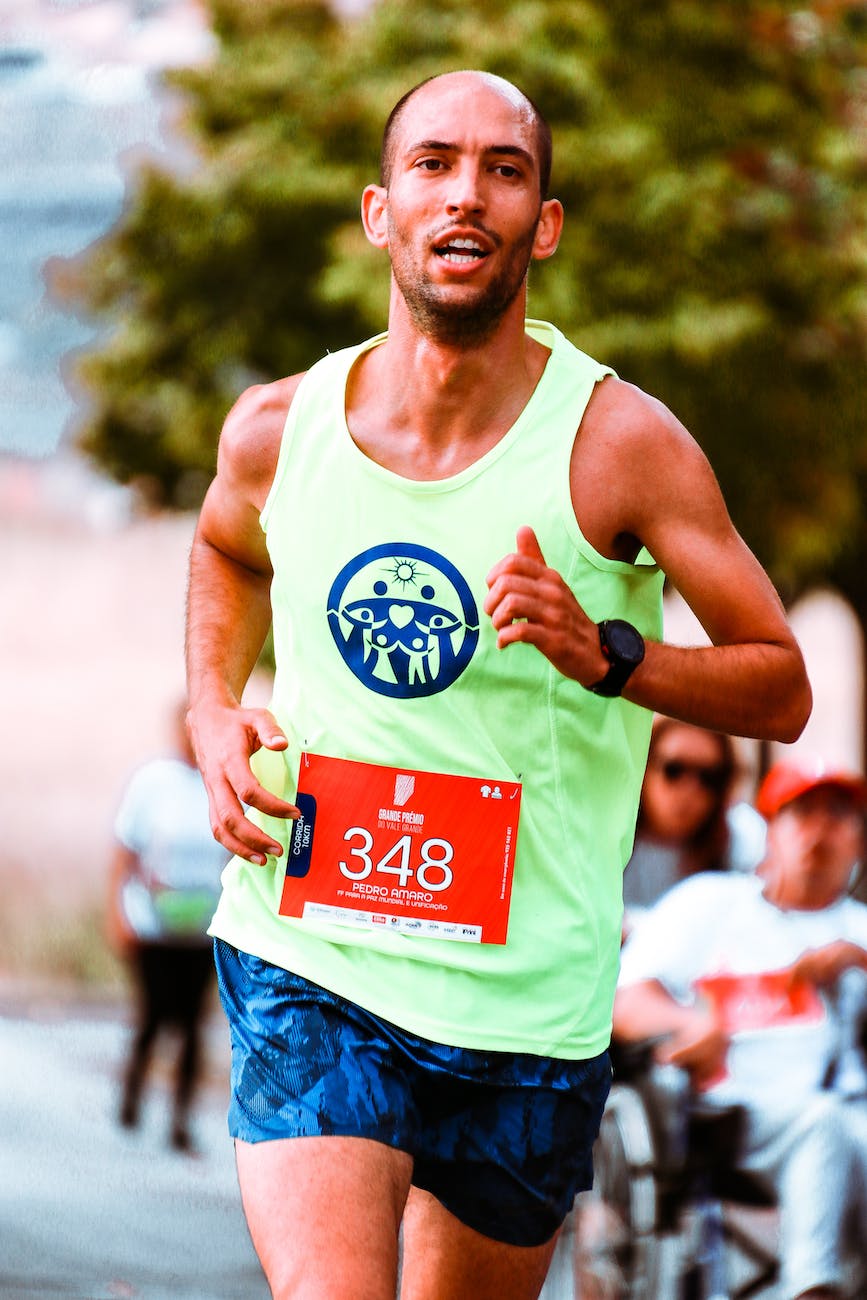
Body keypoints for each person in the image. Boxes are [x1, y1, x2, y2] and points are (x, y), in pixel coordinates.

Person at [184, 70, 811, 1300]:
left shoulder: (620, 444)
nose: (466, 194)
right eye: (433, 164)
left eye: (503, 169)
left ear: (546, 223)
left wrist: (611, 654)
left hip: (527, 1001)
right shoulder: (279, 427)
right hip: (314, 952)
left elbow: (780, 685)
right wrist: (213, 703)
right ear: (380, 211)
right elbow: (222, 544)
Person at [614, 757, 867, 1300]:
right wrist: (692, 1020)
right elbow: (627, 1001)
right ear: (770, 830)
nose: (821, 830)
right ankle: (810, 1288)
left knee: (842, 1128)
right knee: (824, 1126)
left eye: (839, 815)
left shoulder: (858, 931)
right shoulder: (714, 904)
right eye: (804, 813)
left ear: (859, 841)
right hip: (731, 1114)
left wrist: (858, 962)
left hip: (846, 1109)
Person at [107, 700, 229, 1152]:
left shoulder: (221, 784)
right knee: (155, 1016)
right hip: (153, 925)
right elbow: (124, 852)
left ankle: (181, 1117)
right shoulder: (151, 782)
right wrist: (117, 914)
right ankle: (133, 1093)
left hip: (201, 929)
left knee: (195, 1024)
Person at [622, 717, 766, 929]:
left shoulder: (740, 836)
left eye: (708, 777)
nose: (689, 790)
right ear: (643, 765)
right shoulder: (610, 832)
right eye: (674, 770)